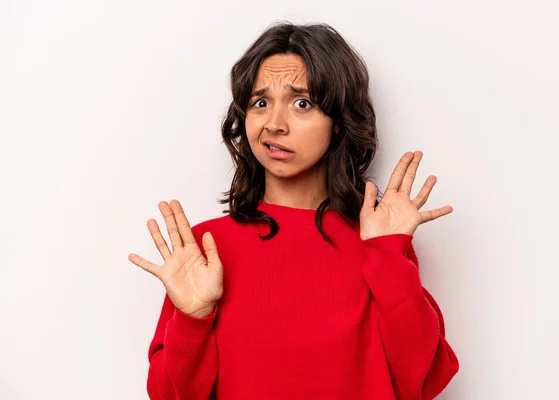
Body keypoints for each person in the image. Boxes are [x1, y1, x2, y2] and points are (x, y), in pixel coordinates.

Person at [128, 21, 459, 400]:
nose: (274, 124)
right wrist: (193, 319)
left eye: (302, 103)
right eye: (260, 103)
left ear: (338, 122)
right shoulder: (206, 248)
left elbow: (424, 380)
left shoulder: (376, 239)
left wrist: (388, 254)